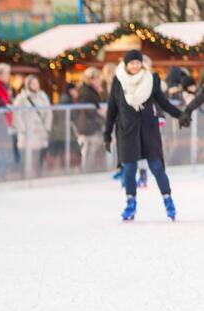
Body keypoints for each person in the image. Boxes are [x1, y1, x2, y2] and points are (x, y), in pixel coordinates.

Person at [104, 50, 184, 221]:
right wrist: (107, 134)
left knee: (156, 167)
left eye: (138, 62)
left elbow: (162, 102)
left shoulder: (151, 79)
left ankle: (168, 200)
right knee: (130, 168)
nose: (135, 66)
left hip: (149, 130)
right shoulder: (118, 81)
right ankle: (130, 203)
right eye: (132, 63)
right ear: (126, 65)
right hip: (127, 131)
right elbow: (112, 108)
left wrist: (180, 114)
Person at [12, 75, 53, 176]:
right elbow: (16, 114)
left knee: (40, 155)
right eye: (33, 83)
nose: (36, 85)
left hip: (40, 131)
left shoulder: (42, 96)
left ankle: (39, 173)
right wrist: (23, 129)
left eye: (37, 83)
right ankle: (24, 175)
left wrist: (47, 127)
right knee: (26, 156)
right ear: (28, 85)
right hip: (27, 132)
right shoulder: (22, 98)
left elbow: (48, 112)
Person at [75, 67, 106, 172]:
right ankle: (86, 170)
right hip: (87, 125)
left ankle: (88, 169)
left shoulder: (92, 90)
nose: (97, 80)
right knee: (87, 150)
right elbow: (87, 108)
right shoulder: (85, 91)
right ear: (89, 79)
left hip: (93, 124)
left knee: (92, 150)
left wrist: (101, 92)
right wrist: (99, 112)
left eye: (97, 78)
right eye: (95, 78)